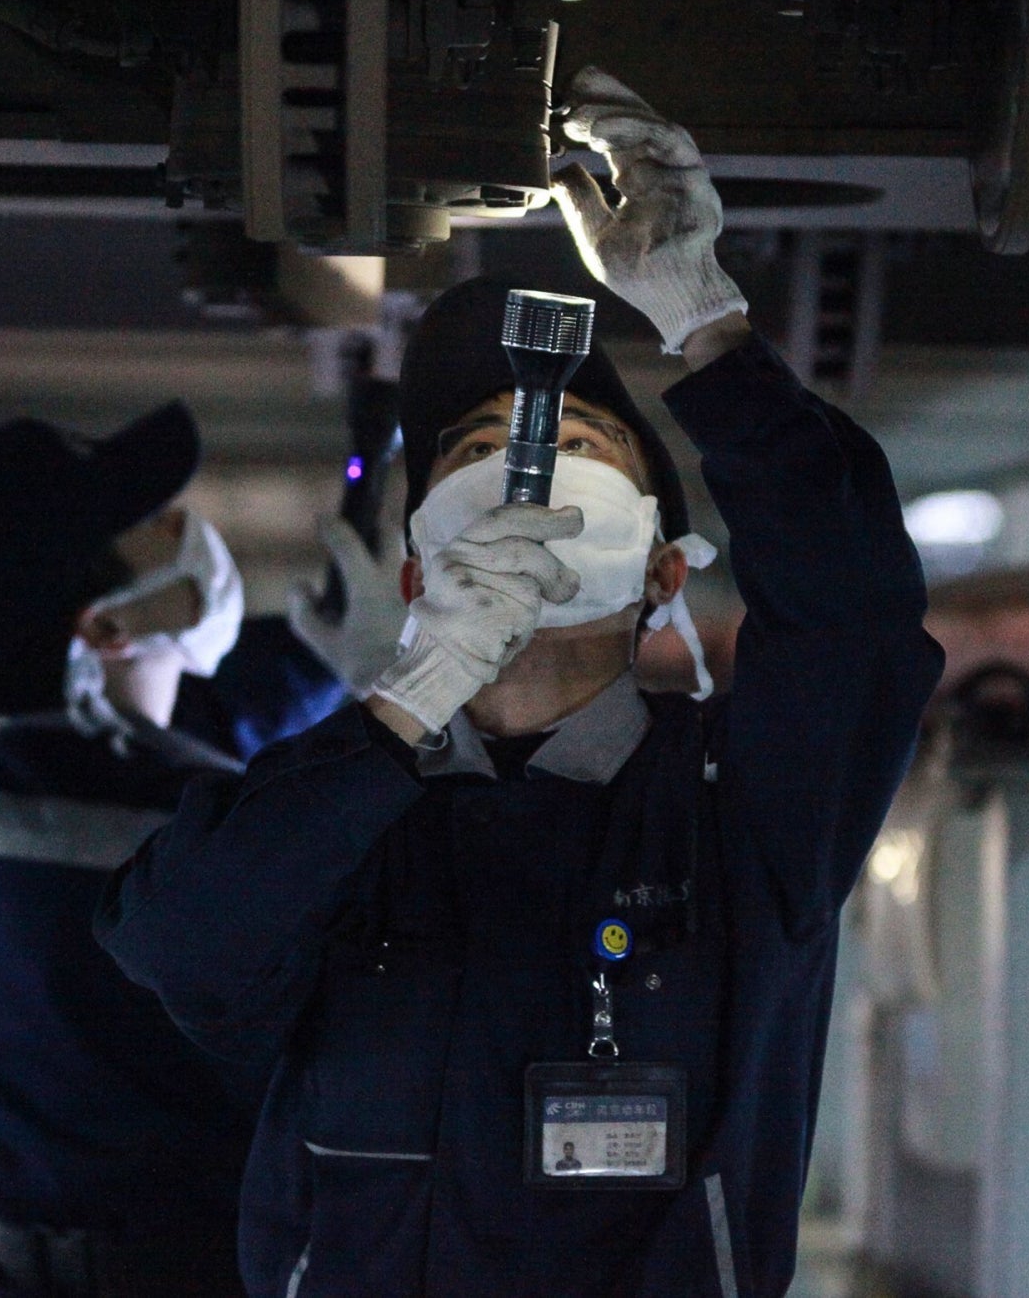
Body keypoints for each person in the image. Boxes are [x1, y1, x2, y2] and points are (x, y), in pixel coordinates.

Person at [96, 69, 944, 1297]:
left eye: (579, 450)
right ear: (412, 565)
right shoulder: (341, 816)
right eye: (474, 456)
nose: (524, 467)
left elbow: (858, 619)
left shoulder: (740, 806)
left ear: (659, 570)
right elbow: (178, 940)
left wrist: (709, 328)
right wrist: (408, 696)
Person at [0, 402, 404, 1298]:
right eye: (151, 528)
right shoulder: (140, 838)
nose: (187, 529)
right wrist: (394, 697)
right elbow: (247, 818)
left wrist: (323, 663)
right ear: (104, 628)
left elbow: (200, 744)